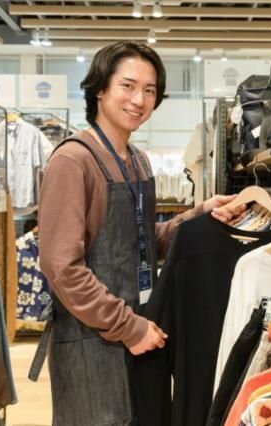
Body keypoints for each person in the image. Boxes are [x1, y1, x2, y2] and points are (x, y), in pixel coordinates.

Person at [37, 41, 244, 425]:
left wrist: (199, 216)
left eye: (150, 90)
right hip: (93, 341)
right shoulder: (73, 160)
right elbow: (61, 266)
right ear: (100, 89)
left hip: (141, 332)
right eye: (128, 86)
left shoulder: (138, 161)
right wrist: (127, 327)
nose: (139, 100)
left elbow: (146, 241)